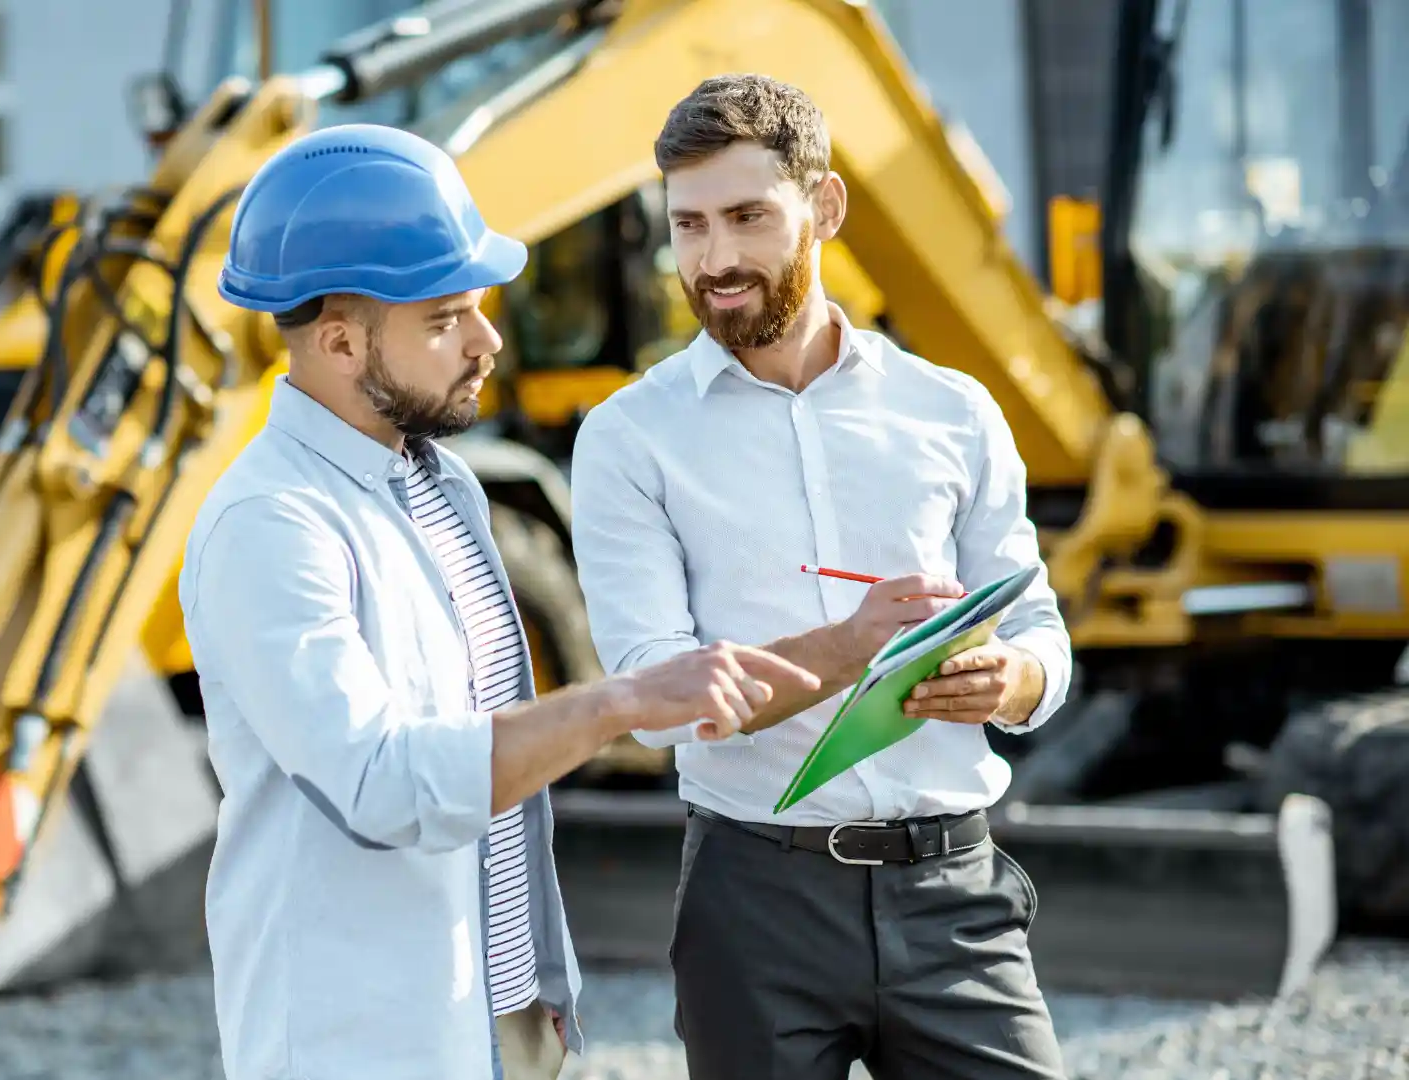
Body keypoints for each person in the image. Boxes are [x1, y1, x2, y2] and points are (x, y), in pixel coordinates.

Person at [178, 122, 821, 1080]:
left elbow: (492, 765)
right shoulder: (270, 527)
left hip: (493, 1019)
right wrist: (619, 702)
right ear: (341, 342)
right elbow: (382, 784)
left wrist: (535, 993)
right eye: (445, 319)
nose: (488, 341)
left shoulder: (447, 490)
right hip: (356, 1041)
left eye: (479, 307)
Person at [567, 75, 1076, 1080]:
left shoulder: (954, 411)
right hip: (755, 902)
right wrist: (850, 647)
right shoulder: (628, 438)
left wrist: (1011, 680)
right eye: (690, 225)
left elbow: (1041, 627)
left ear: (825, 207)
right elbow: (659, 703)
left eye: (750, 218)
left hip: (955, 894)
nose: (716, 260)